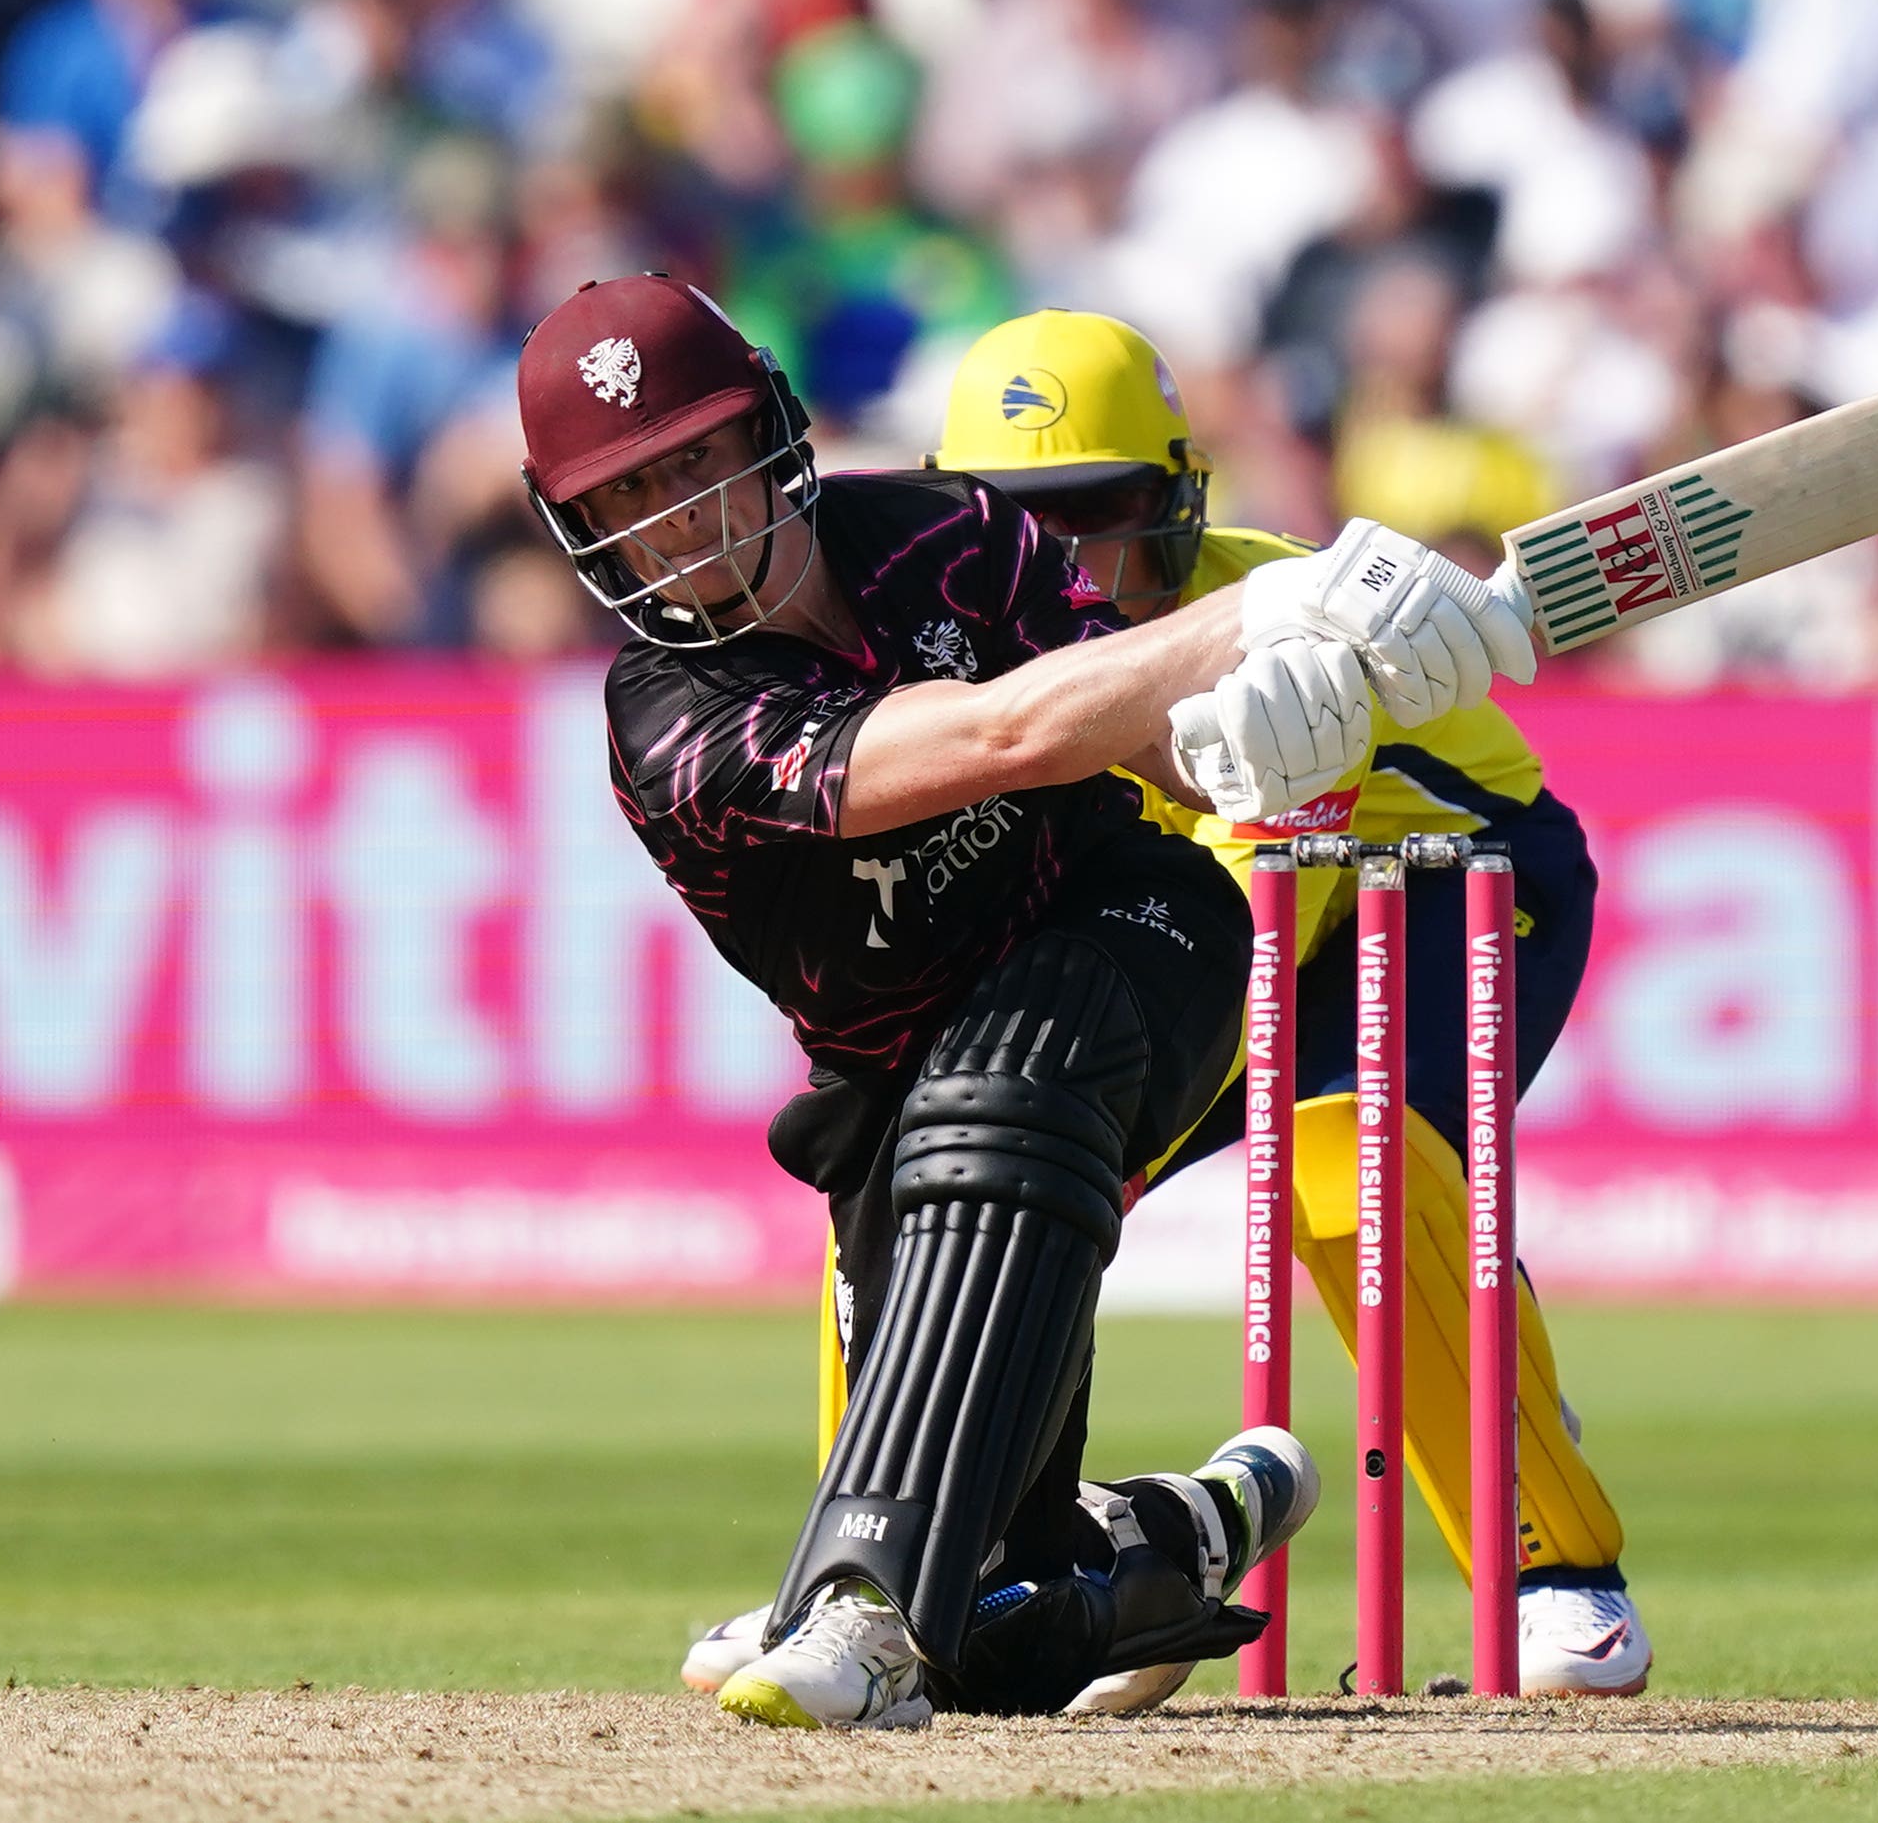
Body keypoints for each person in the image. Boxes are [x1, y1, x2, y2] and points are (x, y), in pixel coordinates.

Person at [516, 274, 1386, 1729]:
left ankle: (857, 1605)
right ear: (583, 528)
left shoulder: (951, 533)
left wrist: (1304, 699)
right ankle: (1164, 1531)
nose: (680, 513)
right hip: (896, 1094)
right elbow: (1004, 729)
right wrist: (1266, 608)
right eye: (633, 492)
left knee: (1011, 1082)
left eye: (695, 457)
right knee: (994, 1629)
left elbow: (1161, 752)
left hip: (1137, 933)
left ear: (771, 427)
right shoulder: (667, 714)